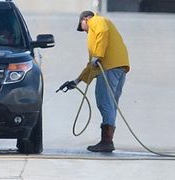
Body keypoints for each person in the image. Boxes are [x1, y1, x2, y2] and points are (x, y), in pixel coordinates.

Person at [56, 9, 130, 153]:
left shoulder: (96, 20)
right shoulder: (98, 36)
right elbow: (92, 66)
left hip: (109, 68)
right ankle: (107, 140)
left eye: (82, 27)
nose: (85, 31)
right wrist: (76, 81)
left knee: (104, 103)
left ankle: (107, 141)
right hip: (118, 67)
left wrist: (99, 55)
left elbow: (102, 32)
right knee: (111, 105)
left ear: (85, 19)